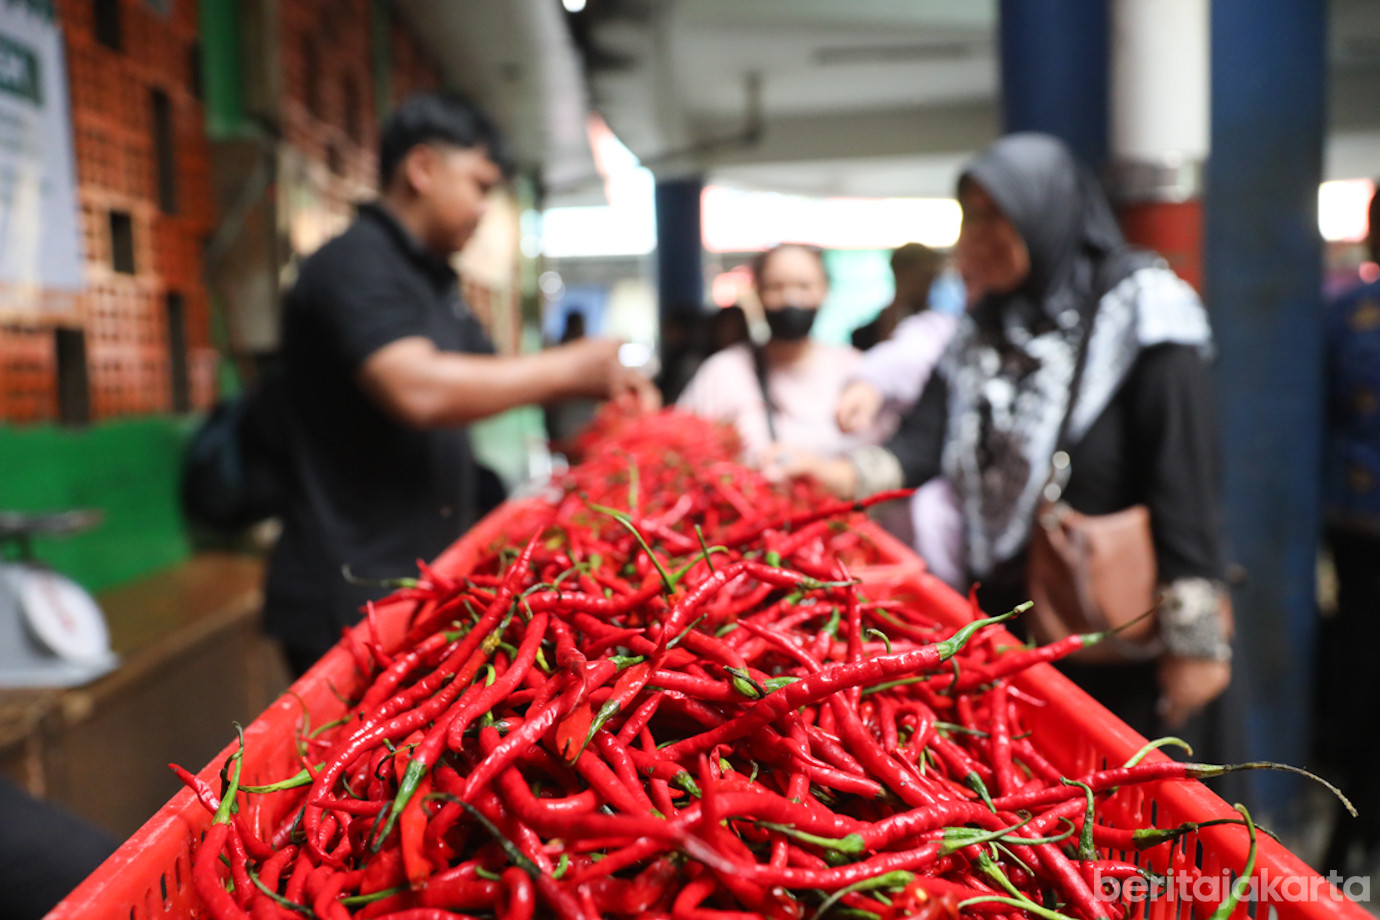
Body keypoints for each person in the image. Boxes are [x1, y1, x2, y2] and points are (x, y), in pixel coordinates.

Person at [779, 134, 1232, 739]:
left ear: (1044, 212)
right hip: (1012, 619)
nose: (976, 237)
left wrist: (1195, 642)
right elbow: (921, 442)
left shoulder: (1142, 311)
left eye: (999, 215)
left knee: (1134, 789)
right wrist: (836, 474)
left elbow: (1186, 476)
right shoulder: (981, 328)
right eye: (971, 216)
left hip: (1118, 632)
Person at [264, 93, 656, 676]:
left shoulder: (434, 280)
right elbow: (416, 389)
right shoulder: (352, 265)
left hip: (415, 570)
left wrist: (597, 380)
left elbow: (489, 375)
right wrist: (569, 369)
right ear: (422, 168)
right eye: (478, 185)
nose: (484, 208)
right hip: (349, 583)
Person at [676, 244, 881, 465]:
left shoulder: (858, 372)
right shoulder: (723, 372)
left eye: (804, 286)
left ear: (825, 290)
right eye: (776, 286)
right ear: (758, 291)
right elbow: (680, 449)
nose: (790, 298)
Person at [1319, 185, 1380, 874]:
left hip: (1359, 535)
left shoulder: (1347, 317)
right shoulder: (1346, 317)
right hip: (1360, 538)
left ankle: (1345, 847)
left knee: (1361, 680)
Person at [836, 263, 963, 587]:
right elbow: (904, 356)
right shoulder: (913, 327)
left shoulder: (955, 327)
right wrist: (868, 386)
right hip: (908, 497)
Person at [851, 242, 946, 350]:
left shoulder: (936, 330)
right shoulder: (863, 336)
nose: (927, 286)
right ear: (899, 273)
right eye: (926, 277)